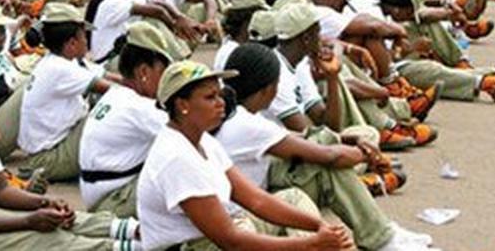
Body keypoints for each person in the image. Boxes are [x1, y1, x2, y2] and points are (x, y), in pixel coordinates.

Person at [218, 43, 435, 250]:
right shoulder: (247, 123)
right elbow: (328, 155)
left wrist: (346, 141)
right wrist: (365, 154)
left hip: (259, 190)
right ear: (269, 89)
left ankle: (382, 233)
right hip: (245, 215)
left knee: (342, 142)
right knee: (326, 167)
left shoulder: (237, 116)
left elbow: (306, 137)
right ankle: (380, 235)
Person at [0, 55, 139, 250]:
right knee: (47, 240)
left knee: (64, 220)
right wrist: (28, 220)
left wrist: (44, 203)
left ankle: (138, 232)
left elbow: (0, 191)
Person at [136, 59, 353, 250]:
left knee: (292, 200)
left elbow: (255, 200)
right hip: (192, 246)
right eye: (210, 97)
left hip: (219, 234)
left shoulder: (203, 141)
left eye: (219, 95)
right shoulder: (176, 157)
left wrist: (320, 227)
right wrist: (310, 244)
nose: (221, 103)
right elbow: (231, 242)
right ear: (183, 105)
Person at [79, 21, 173, 217]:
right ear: (144, 72)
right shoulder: (139, 107)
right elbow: (190, 136)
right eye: (163, 72)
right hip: (113, 201)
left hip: (102, 194)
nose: (166, 81)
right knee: (182, 169)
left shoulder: (118, 94)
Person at [17, 2, 117, 181]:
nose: (87, 42)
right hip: (48, 158)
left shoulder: (60, 61)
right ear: (71, 44)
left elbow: (109, 76)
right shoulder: (59, 69)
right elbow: (114, 90)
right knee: (111, 111)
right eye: (84, 38)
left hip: (50, 149)